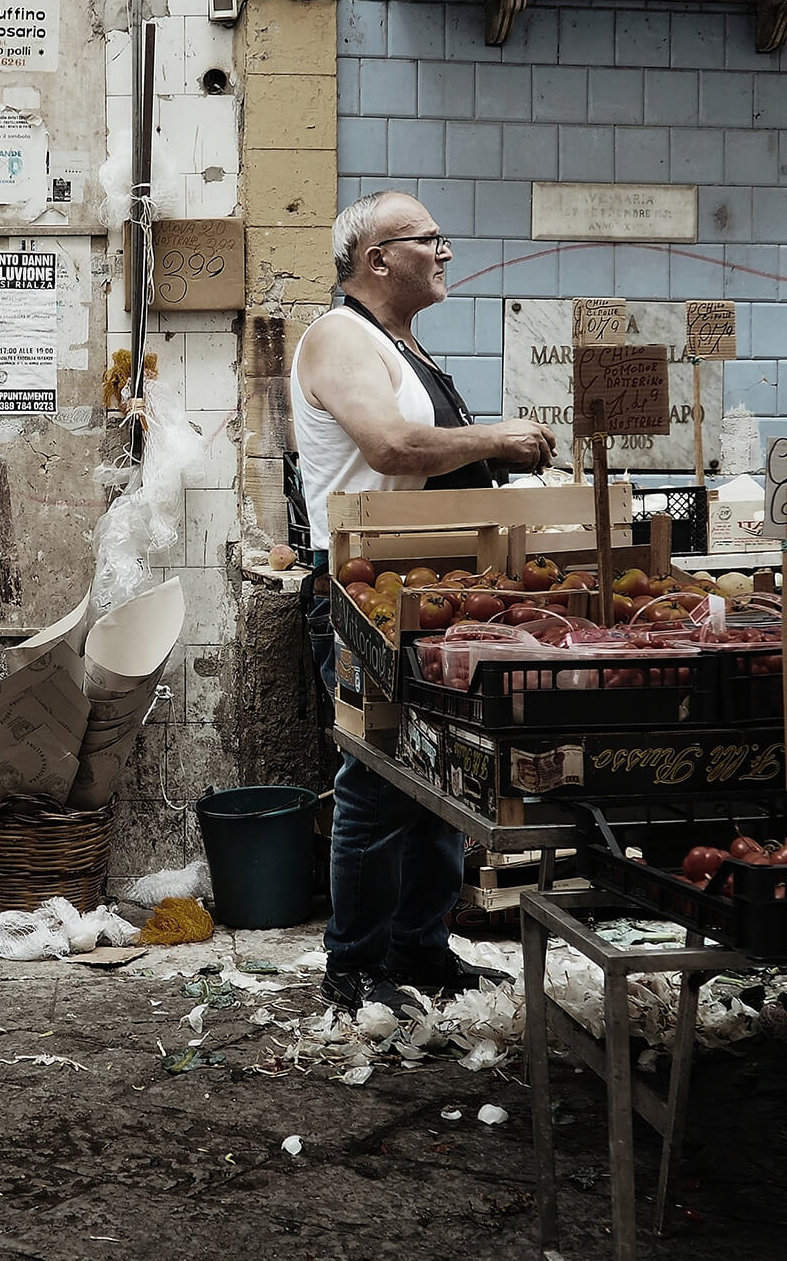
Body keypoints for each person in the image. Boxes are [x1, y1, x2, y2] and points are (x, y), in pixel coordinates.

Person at [292, 190, 557, 1014]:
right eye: (428, 240)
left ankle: (419, 951)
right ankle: (354, 967)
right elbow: (391, 445)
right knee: (375, 781)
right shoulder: (339, 337)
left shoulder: (405, 346)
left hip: (432, 590)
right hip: (365, 592)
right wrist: (498, 438)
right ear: (377, 259)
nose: (444, 252)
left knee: (443, 773)